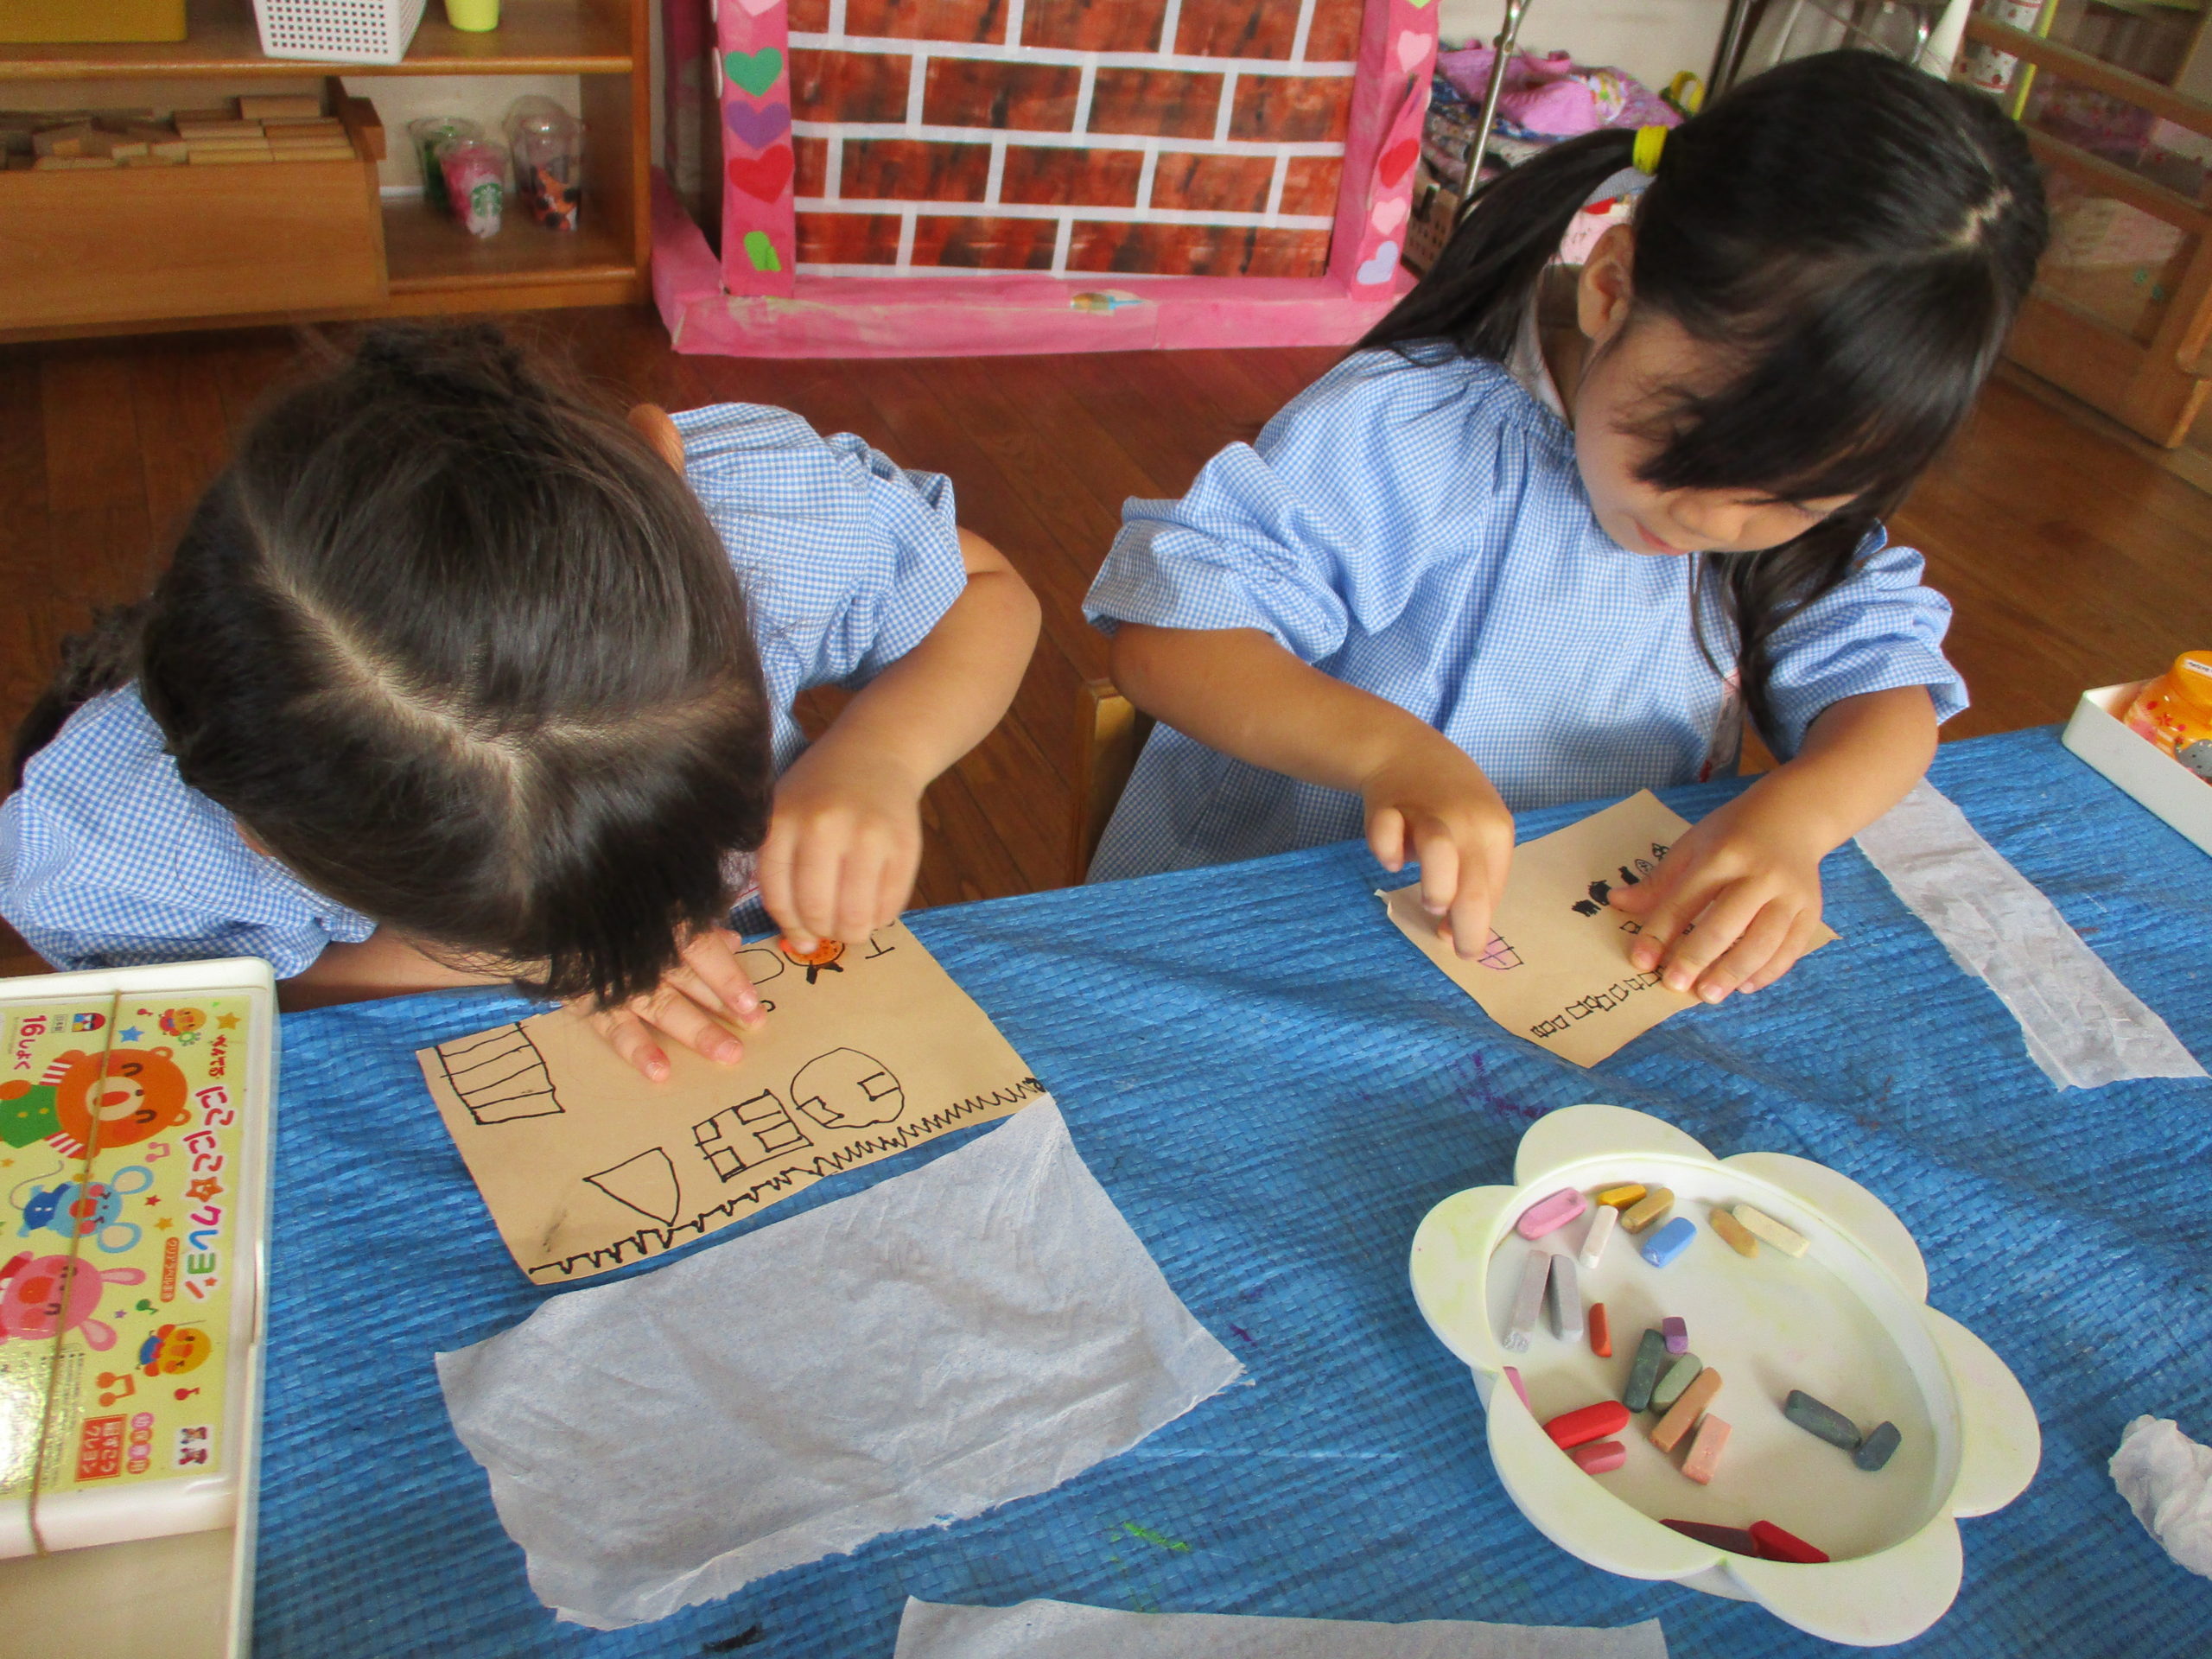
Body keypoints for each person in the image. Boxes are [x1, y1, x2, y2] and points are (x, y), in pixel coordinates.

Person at [1084, 51, 2047, 1005]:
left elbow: (1884, 689)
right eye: (1682, 450)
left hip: (1544, 961)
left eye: (1798, 502)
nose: (1713, 520)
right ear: (1611, 287)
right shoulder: (1411, 431)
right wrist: (1387, 754)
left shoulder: (1787, 487)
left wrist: (1798, 821)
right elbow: (1167, 643)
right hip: (1260, 941)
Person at [0, 325, 1039, 1078]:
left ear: (664, 469)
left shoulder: (764, 526)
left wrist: (878, 756)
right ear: (261, 839)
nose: (672, 926)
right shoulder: (133, 841)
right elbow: (191, 1016)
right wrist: (538, 967)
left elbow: (986, 595)